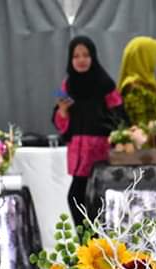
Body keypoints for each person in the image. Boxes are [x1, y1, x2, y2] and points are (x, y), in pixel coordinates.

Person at [53, 35, 126, 229]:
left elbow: (119, 115)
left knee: (91, 199)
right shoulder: (67, 85)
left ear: (93, 57)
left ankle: (94, 241)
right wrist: (62, 111)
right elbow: (59, 120)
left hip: (100, 150)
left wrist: (117, 137)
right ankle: (88, 242)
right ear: (70, 59)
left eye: (86, 55)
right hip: (78, 150)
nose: (81, 60)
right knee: (79, 199)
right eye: (76, 56)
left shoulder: (105, 83)